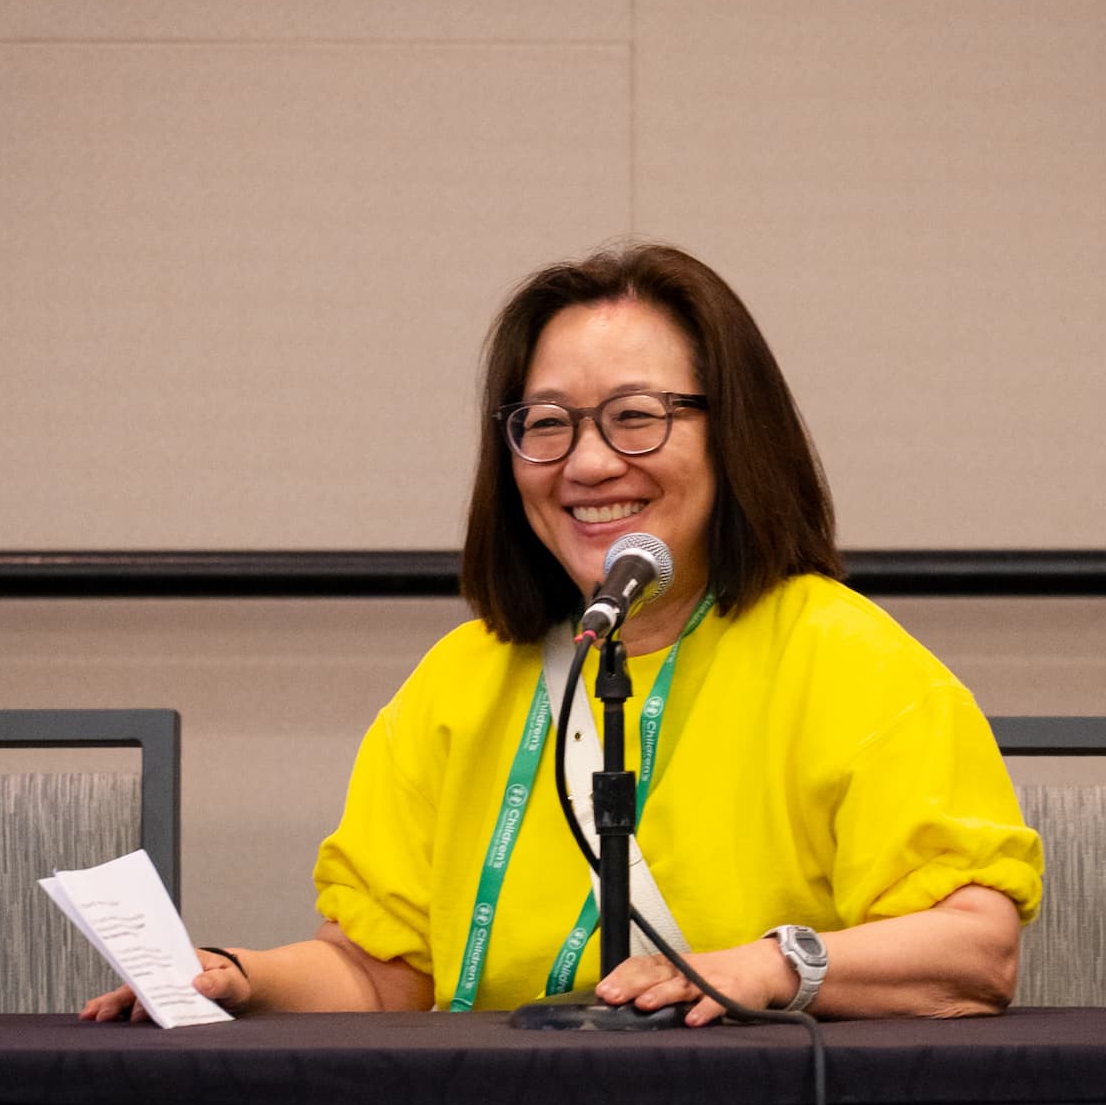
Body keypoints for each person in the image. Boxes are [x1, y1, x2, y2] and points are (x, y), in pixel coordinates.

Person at [83, 243, 1042, 1027]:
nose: (586, 464)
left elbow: (974, 949)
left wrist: (767, 968)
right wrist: (234, 976)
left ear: (734, 434)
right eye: (546, 425)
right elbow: (384, 978)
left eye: (635, 419)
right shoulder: (461, 679)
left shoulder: (848, 658)